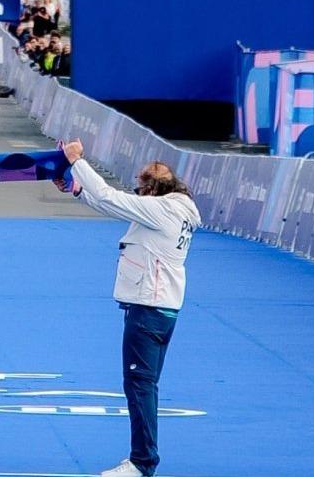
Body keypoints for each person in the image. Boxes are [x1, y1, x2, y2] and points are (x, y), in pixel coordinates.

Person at [58, 140, 199, 477]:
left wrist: (77, 161)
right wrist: (79, 190)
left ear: (152, 188)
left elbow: (110, 196)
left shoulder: (163, 210)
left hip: (149, 309)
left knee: (139, 386)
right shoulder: (173, 211)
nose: (137, 193)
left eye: (140, 188)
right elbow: (115, 207)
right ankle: (142, 459)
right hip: (160, 308)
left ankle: (142, 462)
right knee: (143, 386)